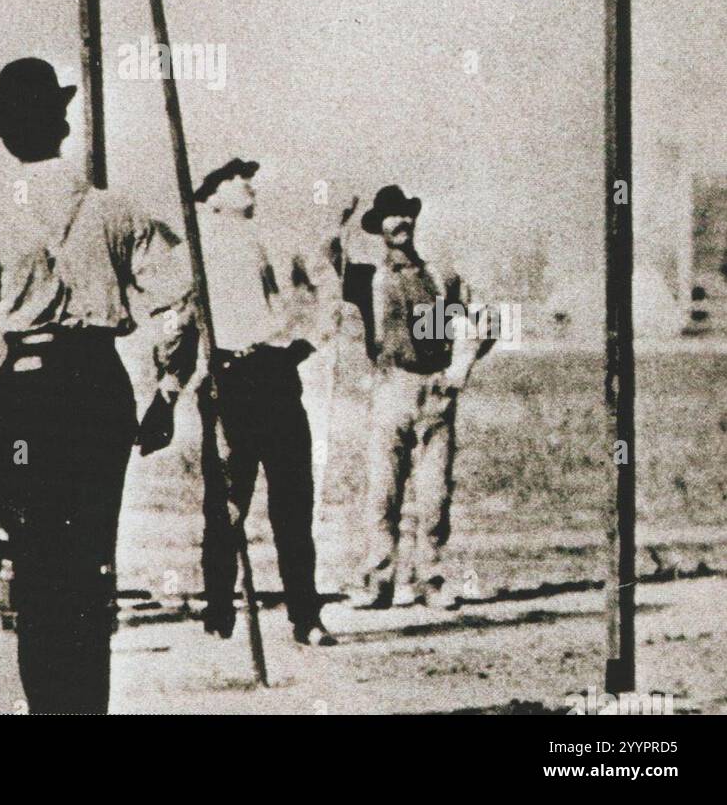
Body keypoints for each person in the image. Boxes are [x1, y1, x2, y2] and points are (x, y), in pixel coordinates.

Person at [0, 57, 190, 715]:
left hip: (27, 392)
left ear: (6, 136)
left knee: (37, 566)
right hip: (98, 393)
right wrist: (168, 389)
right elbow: (177, 304)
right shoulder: (116, 210)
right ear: (61, 122)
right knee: (90, 564)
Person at [155, 156, 336, 647]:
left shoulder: (267, 237)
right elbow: (176, 318)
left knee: (294, 502)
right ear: (211, 195)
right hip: (228, 379)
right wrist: (171, 381)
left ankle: (306, 614)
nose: (247, 183)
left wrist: (309, 342)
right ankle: (219, 612)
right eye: (234, 177)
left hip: (276, 375)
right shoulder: (196, 246)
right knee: (227, 504)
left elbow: (321, 286)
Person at [343, 185, 494, 611]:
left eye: (404, 215)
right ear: (379, 229)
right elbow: (323, 269)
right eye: (389, 217)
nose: (399, 223)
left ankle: (430, 579)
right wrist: (337, 224)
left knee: (434, 496)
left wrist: (460, 368)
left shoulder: (439, 279)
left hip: (436, 395)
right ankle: (378, 580)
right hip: (391, 388)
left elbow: (488, 320)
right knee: (382, 493)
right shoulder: (366, 280)